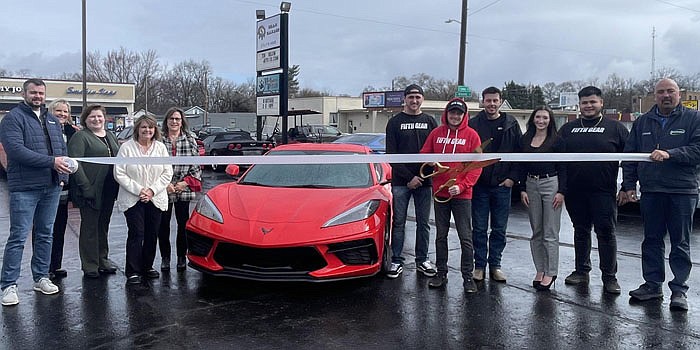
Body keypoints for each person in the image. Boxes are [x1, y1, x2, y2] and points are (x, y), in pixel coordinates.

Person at [621, 78, 700, 311]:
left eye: (671, 91)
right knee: (652, 240)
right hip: (652, 191)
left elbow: (698, 150)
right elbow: (630, 154)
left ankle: (679, 290)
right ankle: (652, 285)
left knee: (680, 242)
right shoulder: (643, 122)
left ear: (679, 94)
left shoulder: (693, 119)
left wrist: (670, 153)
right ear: (654, 95)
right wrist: (628, 185)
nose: (666, 95)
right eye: (661, 92)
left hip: (682, 191)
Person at [0, 79, 71, 306]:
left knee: (45, 234)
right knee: (18, 236)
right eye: (33, 92)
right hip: (24, 188)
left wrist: (62, 177)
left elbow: (62, 150)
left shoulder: (51, 119)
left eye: (41, 93)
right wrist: (52, 163)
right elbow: (16, 151)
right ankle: (8, 285)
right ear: (24, 93)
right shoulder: (13, 119)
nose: (37, 96)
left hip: (51, 187)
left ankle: (40, 277)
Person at [558, 86, 628, 294]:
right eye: (584, 103)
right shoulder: (568, 129)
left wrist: (626, 186)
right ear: (579, 105)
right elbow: (557, 159)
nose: (588, 106)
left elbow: (631, 159)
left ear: (601, 103)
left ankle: (609, 277)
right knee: (580, 231)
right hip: (575, 191)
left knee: (606, 233)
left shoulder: (615, 128)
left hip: (603, 192)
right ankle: (581, 271)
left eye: (592, 102)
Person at [419, 98, 482, 292]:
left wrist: (462, 186)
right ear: (446, 114)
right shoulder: (436, 133)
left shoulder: (472, 136)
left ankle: (467, 277)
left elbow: (476, 166)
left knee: (465, 237)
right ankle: (441, 273)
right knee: (441, 235)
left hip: (462, 195)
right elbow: (424, 154)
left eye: (459, 114)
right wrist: (431, 163)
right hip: (440, 193)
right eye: (452, 113)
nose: (455, 116)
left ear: (464, 116)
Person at [468, 86, 522, 282]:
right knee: (480, 228)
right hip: (480, 185)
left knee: (499, 229)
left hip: (502, 185)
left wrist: (512, 179)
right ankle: (479, 266)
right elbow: (468, 155)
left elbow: (519, 153)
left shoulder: (511, 123)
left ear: (500, 101)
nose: (491, 104)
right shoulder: (473, 124)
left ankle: (495, 265)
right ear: (482, 101)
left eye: (495, 100)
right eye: (488, 100)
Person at [385, 84, 438, 278]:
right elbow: (391, 154)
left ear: (422, 99)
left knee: (423, 223)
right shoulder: (395, 122)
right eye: (410, 97)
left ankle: (422, 260)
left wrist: (421, 177)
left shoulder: (430, 121)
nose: (414, 101)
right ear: (404, 99)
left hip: (425, 182)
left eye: (417, 97)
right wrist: (409, 178)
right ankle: (397, 260)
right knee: (399, 223)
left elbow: (436, 152)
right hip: (401, 182)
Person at [114, 115, 173, 285]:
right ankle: (133, 270)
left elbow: (167, 173)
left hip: (156, 197)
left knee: (151, 233)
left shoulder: (160, 148)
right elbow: (119, 173)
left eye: (151, 128)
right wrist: (139, 190)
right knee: (136, 233)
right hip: (133, 198)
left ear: (155, 130)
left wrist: (152, 191)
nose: (147, 130)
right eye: (143, 127)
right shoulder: (126, 148)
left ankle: (147, 266)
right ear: (137, 129)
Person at [68, 105, 120, 278]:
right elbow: (75, 165)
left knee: (103, 226)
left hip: (109, 188)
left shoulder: (111, 136)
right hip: (89, 190)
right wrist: (86, 187)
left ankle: (102, 259)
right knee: (90, 227)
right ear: (85, 119)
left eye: (99, 116)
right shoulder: (80, 137)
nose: (96, 120)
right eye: (92, 117)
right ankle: (90, 265)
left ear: (104, 118)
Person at [518, 106, 566, 291]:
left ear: (550, 120)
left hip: (551, 184)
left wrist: (562, 191)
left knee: (550, 232)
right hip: (531, 184)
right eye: (538, 117)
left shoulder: (557, 140)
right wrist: (522, 188)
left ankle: (551, 271)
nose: (541, 120)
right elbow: (521, 165)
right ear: (533, 119)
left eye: (545, 117)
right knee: (537, 230)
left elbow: (563, 167)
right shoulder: (525, 139)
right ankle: (540, 269)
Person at [157, 107, 202, 272]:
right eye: (171, 119)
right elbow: (154, 165)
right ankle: (165, 257)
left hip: (184, 186)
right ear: (166, 121)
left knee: (183, 224)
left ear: (182, 121)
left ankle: (182, 257)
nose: (174, 122)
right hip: (164, 187)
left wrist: (185, 182)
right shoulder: (159, 140)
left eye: (177, 119)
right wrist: (165, 184)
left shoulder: (190, 139)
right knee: (163, 225)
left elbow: (197, 165)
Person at [48, 99, 79, 279]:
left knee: (60, 226)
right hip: (47, 184)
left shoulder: (72, 132)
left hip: (65, 186)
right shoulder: (43, 130)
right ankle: (44, 267)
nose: (62, 114)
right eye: (58, 111)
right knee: (44, 228)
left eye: (65, 112)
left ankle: (56, 265)